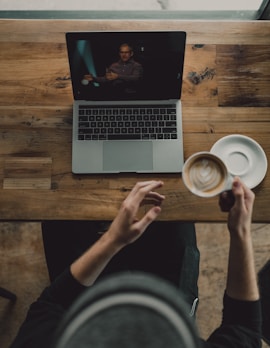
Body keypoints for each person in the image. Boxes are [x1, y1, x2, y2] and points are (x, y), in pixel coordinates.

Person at [10, 179, 262, 348]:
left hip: (87, 308)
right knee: (175, 216)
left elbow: (53, 303)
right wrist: (240, 230)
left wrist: (112, 240)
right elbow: (243, 328)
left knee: (58, 216)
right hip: (168, 311)